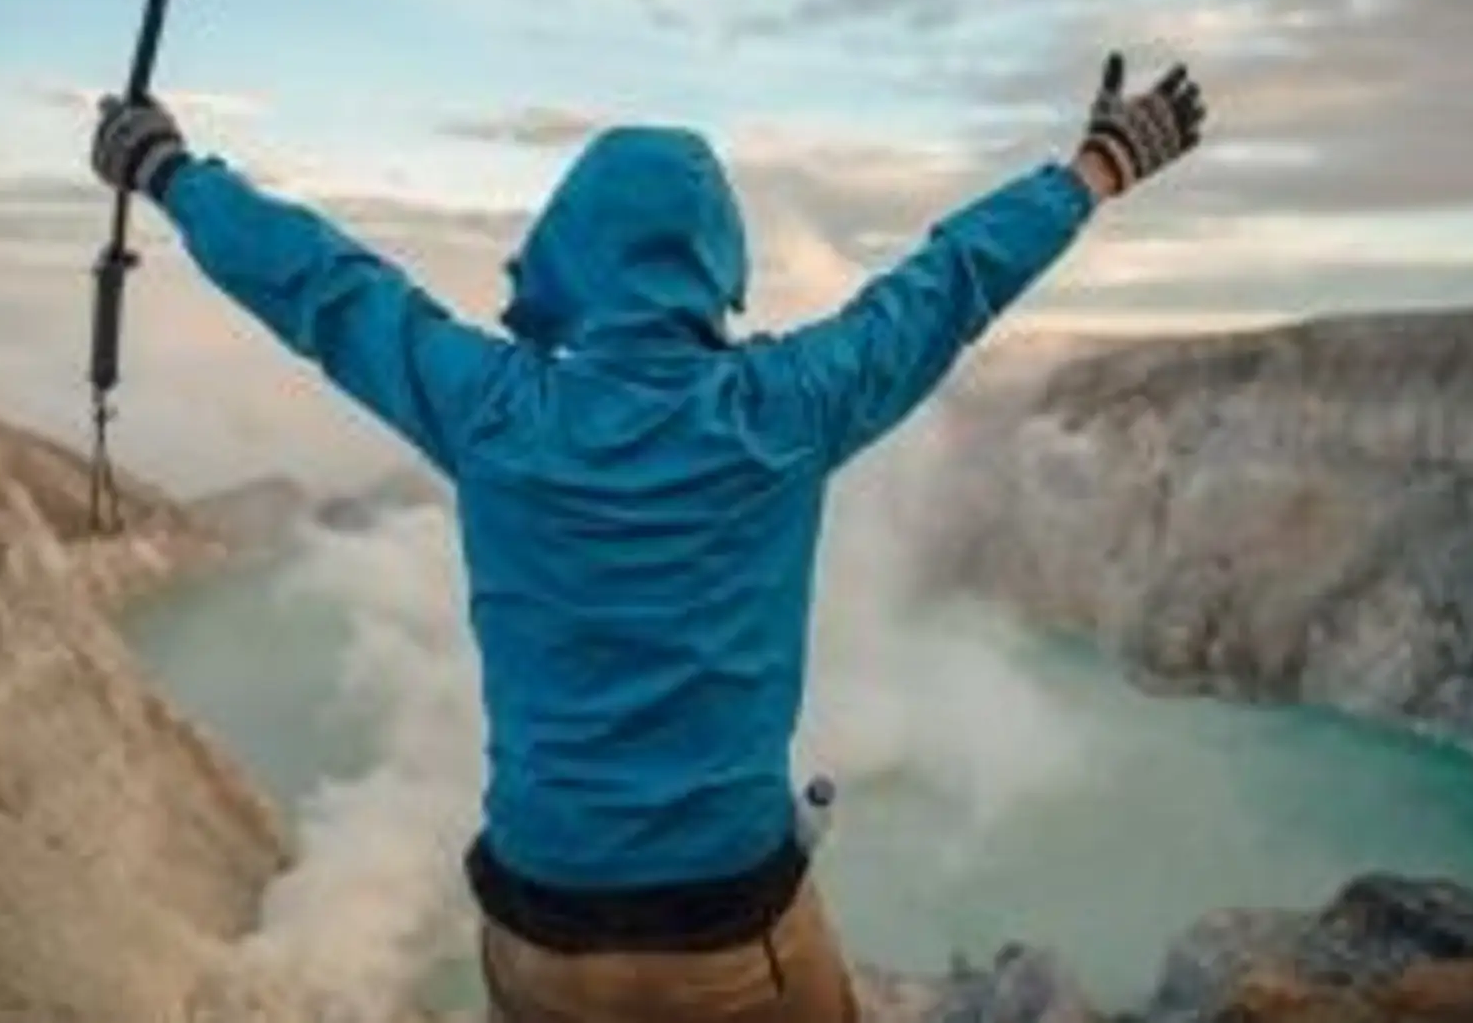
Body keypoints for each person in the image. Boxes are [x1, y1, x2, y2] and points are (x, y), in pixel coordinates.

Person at [90, 52, 1206, 1022]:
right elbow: (948, 285)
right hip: (734, 942)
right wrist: (1095, 170)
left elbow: (325, 289)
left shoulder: (491, 410)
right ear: (713, 261)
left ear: (568, 251)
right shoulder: (788, 406)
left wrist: (170, 172)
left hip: (540, 935)